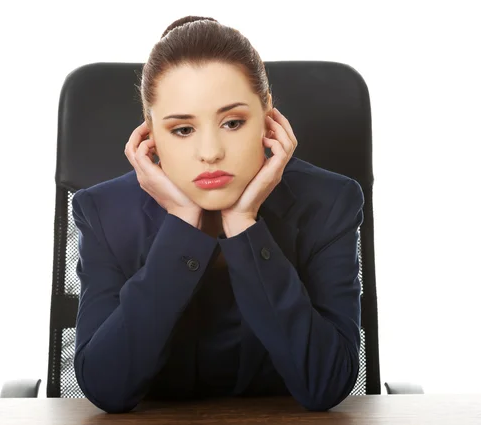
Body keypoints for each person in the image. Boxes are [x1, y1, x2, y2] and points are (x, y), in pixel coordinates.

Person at [71, 16, 364, 414]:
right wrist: (181, 224)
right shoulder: (104, 212)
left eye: (233, 122)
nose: (210, 152)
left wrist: (244, 223)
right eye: (182, 130)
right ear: (150, 136)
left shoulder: (330, 203)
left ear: (268, 119)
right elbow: (106, 389)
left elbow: (326, 385)